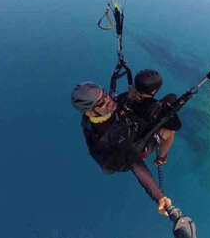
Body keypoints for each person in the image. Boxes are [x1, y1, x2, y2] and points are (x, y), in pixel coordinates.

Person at [71, 81, 172, 215]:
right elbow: (135, 164)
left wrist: (130, 96)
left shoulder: (97, 114)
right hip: (123, 158)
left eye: (105, 94)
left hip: (122, 134)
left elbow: (115, 104)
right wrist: (159, 197)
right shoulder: (110, 135)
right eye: (101, 102)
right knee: (168, 130)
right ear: (89, 113)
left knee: (150, 99)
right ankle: (161, 158)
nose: (108, 100)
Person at [124, 69, 181, 166]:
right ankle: (161, 158)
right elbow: (177, 125)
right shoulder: (155, 110)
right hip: (137, 149)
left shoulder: (125, 97)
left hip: (123, 138)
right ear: (154, 91)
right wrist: (169, 109)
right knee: (170, 132)